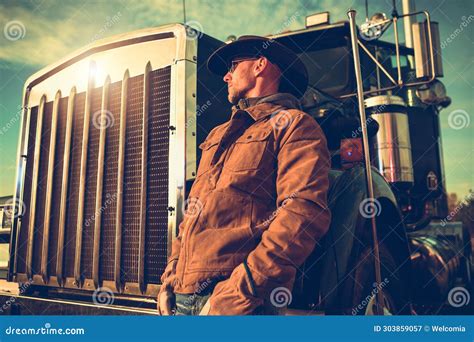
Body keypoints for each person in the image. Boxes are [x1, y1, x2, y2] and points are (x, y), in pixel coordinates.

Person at [157, 36, 331, 315]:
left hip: (240, 304)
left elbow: (303, 211)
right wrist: (169, 281)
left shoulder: (295, 126)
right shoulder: (216, 135)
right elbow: (192, 216)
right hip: (182, 300)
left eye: (234, 66)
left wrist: (240, 291)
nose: (226, 76)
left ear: (260, 65)